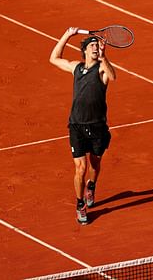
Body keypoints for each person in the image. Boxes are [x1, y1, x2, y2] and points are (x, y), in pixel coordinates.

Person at [49, 27, 116, 225]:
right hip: (77, 126)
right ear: (86, 51)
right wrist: (67, 35)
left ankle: (92, 186)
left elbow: (112, 76)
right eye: (92, 45)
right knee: (81, 167)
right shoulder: (76, 68)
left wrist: (104, 58)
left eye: (97, 45)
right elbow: (54, 58)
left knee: (95, 165)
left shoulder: (102, 70)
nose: (96, 47)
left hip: (97, 127)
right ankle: (80, 205)